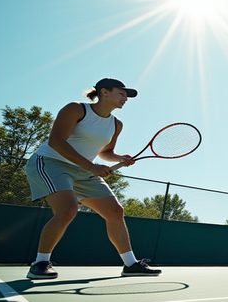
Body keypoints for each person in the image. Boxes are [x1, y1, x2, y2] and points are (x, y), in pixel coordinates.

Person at [24, 78, 161, 279]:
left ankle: (131, 264)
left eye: (126, 96)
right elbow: (56, 141)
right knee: (68, 210)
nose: (125, 98)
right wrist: (90, 166)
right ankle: (40, 263)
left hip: (83, 169)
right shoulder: (76, 109)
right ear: (104, 92)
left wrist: (120, 158)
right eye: (122, 93)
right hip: (50, 162)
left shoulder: (116, 124)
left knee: (115, 211)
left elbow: (106, 152)